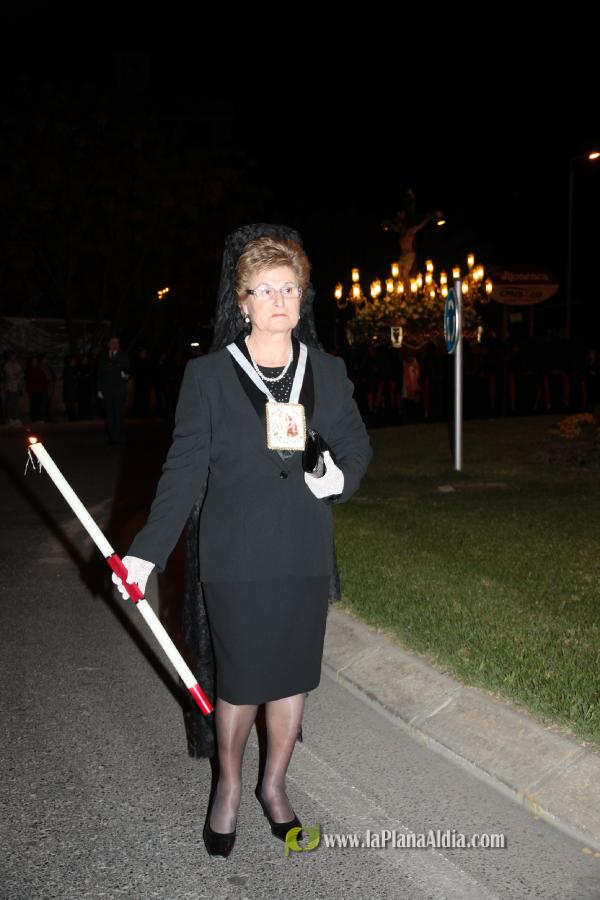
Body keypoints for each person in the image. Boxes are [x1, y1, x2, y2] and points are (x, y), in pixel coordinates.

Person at [111, 224, 372, 858]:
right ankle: (228, 785)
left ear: (303, 298)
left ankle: (274, 788)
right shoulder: (208, 375)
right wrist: (145, 552)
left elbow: (356, 447)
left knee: (291, 682)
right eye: (265, 289)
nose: (279, 300)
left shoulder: (327, 371)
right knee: (242, 683)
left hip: (303, 554)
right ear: (243, 300)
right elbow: (182, 472)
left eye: (290, 288)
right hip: (236, 559)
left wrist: (330, 475)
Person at [96, 336, 131, 444]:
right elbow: (99, 374)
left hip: (119, 390)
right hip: (107, 391)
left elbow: (128, 370)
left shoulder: (123, 355)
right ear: (108, 344)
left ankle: (118, 436)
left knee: (118, 414)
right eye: (112, 342)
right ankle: (113, 437)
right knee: (109, 414)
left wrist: (125, 375)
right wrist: (99, 389)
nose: (114, 344)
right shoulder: (103, 356)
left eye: (116, 342)